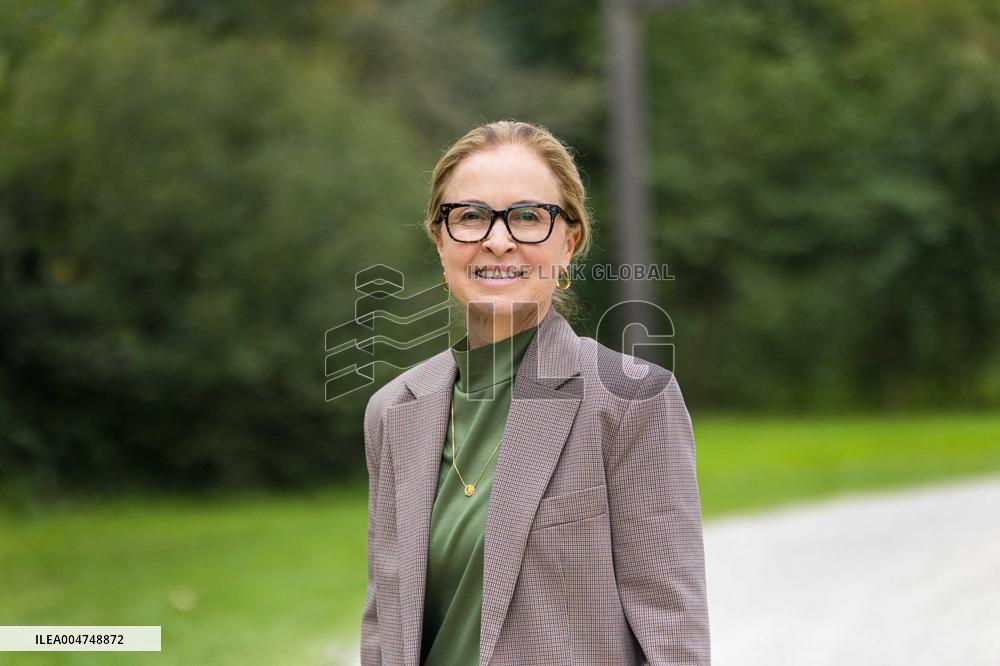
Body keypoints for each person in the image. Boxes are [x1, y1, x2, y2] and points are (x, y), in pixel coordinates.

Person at [360, 120, 710, 665]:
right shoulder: (393, 410)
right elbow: (386, 624)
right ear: (440, 239)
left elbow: (674, 631)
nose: (497, 240)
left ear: (568, 243)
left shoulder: (632, 400)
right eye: (470, 216)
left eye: (527, 217)